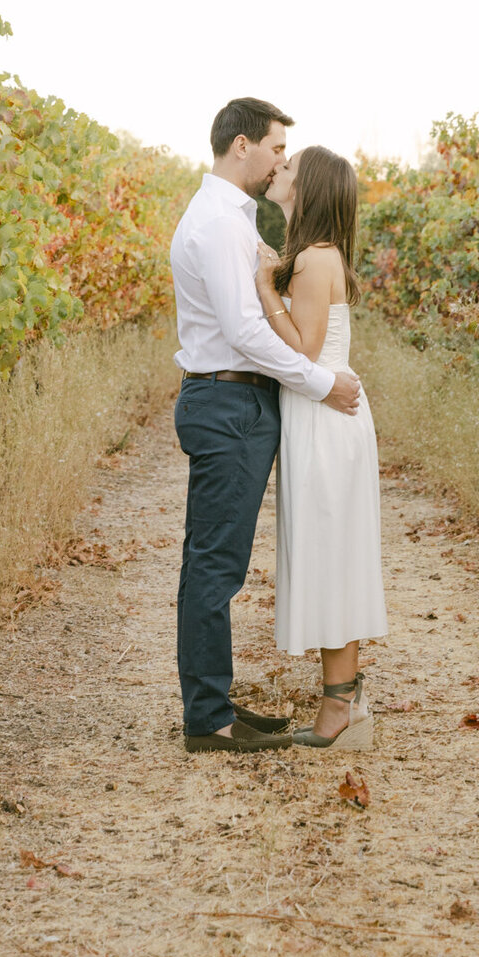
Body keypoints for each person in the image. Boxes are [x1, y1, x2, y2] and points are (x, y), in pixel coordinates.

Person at [170, 99, 363, 754]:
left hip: (241, 404)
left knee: (217, 562)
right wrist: (317, 383)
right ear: (243, 145)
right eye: (278, 147)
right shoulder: (222, 224)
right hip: (229, 405)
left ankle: (215, 706)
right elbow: (246, 330)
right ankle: (210, 720)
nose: (282, 159)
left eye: (289, 154)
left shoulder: (236, 220)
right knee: (214, 565)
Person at [256, 146, 387, 749]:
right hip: (333, 418)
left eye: (288, 169)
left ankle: (339, 707)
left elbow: (302, 353)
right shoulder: (319, 254)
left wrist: (265, 291)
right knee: (338, 550)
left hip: (323, 418)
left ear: (307, 189)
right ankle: (347, 695)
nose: (278, 172)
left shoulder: (309, 259)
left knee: (331, 553)